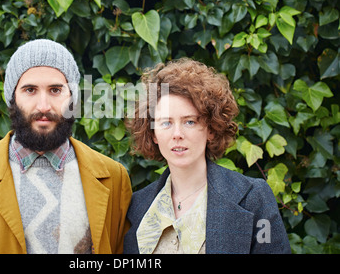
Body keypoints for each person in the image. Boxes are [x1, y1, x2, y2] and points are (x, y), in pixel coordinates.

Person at [0, 39, 132, 254]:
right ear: (12, 97)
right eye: (30, 90)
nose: (43, 106)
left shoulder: (113, 178)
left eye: (55, 90)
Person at [123, 58, 291, 254]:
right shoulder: (137, 206)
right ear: (153, 134)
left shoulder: (254, 198)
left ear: (210, 129)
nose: (177, 134)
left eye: (190, 122)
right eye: (166, 123)